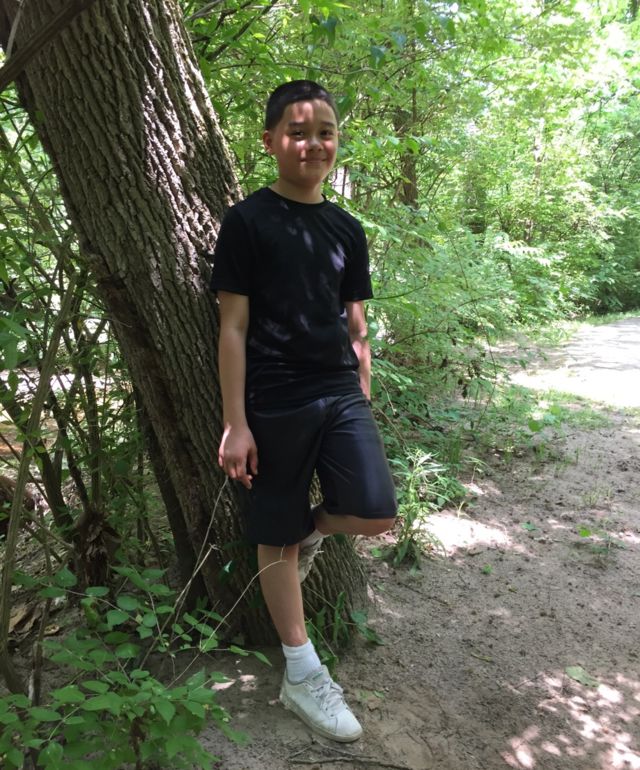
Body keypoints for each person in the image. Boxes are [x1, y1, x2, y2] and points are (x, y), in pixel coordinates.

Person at [210, 80, 397, 743]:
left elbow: (355, 321)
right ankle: (301, 670)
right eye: (297, 132)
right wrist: (236, 422)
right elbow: (232, 327)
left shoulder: (347, 227)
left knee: (376, 512)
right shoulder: (247, 221)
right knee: (275, 534)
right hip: (274, 397)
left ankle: (310, 531)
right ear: (270, 142)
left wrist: (362, 385)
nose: (313, 143)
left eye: (325, 132)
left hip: (340, 391)